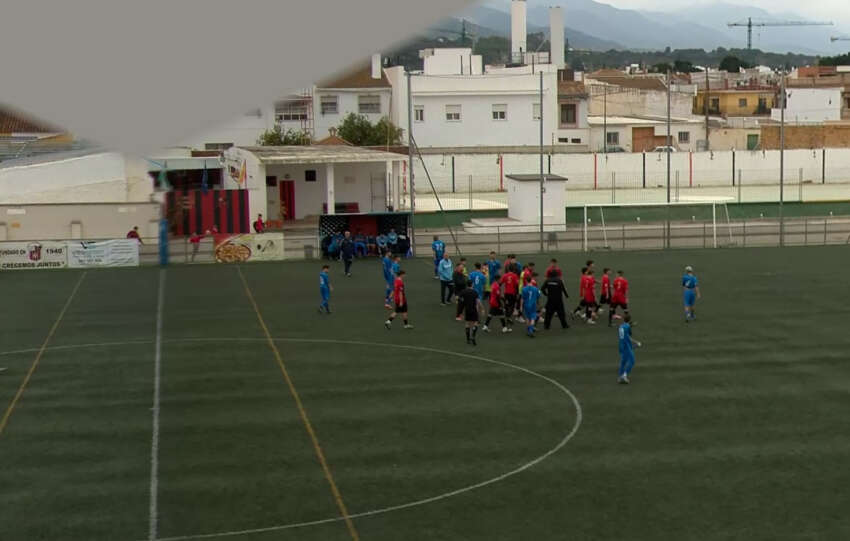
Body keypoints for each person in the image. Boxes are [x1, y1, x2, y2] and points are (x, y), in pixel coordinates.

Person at [617, 314, 642, 384]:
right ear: (629, 320)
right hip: (626, 345)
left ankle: (620, 377)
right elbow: (629, 335)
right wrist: (636, 343)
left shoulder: (621, 326)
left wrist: (631, 324)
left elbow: (626, 330)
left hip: (621, 345)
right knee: (632, 361)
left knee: (623, 362)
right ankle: (624, 376)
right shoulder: (628, 327)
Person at [459, 280, 484, 346]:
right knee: (475, 323)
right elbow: (478, 301)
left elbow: (460, 302)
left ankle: (468, 339)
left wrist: (460, 313)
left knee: (467, 323)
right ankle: (473, 335)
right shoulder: (475, 292)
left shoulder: (463, 292)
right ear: (472, 284)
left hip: (467, 310)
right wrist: (482, 309)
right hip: (474, 310)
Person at [520, 273, 541, 338]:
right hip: (533, 305)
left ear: (526, 281)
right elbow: (538, 297)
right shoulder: (535, 289)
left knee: (527, 318)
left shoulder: (524, 289)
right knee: (532, 318)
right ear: (531, 280)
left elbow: (522, 298)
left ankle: (529, 330)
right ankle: (531, 331)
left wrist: (521, 306)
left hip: (526, 305)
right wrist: (538, 304)